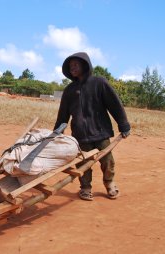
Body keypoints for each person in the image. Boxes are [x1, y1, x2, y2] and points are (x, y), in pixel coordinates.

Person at [54, 52, 131, 201]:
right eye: (70, 66)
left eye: (76, 64)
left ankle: (109, 183)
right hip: (80, 134)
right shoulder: (69, 90)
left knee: (107, 161)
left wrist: (124, 125)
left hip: (101, 132)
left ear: (85, 65)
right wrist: (57, 132)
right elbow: (63, 115)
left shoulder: (99, 83)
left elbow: (114, 105)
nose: (73, 68)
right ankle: (85, 188)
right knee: (83, 164)